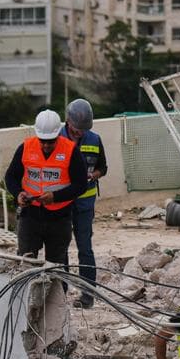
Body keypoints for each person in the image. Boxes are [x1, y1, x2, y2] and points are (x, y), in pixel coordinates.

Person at [3, 109, 89, 266]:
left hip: (59, 219)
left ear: (58, 135)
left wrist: (55, 197)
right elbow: (11, 177)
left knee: (56, 267)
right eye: (42, 141)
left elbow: (81, 185)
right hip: (30, 216)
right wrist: (18, 194)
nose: (46, 145)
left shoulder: (71, 151)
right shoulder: (25, 147)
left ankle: (57, 282)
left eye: (51, 141)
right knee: (26, 263)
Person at [63, 99, 107, 308]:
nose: (80, 133)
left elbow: (103, 168)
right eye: (76, 129)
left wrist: (93, 175)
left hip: (85, 203)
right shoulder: (56, 138)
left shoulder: (94, 140)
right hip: (62, 202)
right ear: (67, 121)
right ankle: (60, 292)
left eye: (83, 129)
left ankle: (87, 295)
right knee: (60, 247)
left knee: (85, 248)